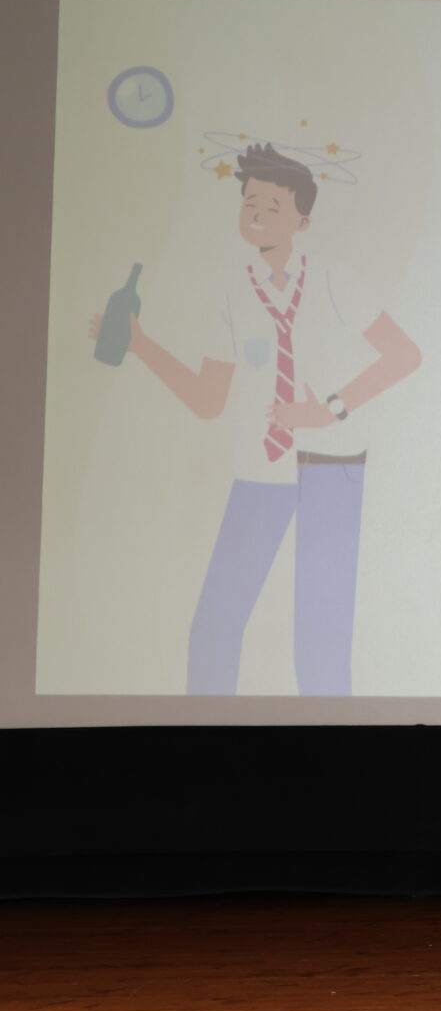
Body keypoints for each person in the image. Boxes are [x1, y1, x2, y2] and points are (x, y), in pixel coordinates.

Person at [90, 142, 421, 695]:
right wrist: (140, 345)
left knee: (321, 640)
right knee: (213, 628)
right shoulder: (232, 290)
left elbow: (404, 355)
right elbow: (207, 400)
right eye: (249, 204)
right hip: (261, 468)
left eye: (272, 206)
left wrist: (329, 409)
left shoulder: (333, 279)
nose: (258, 215)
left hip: (330, 466)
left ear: (301, 220)